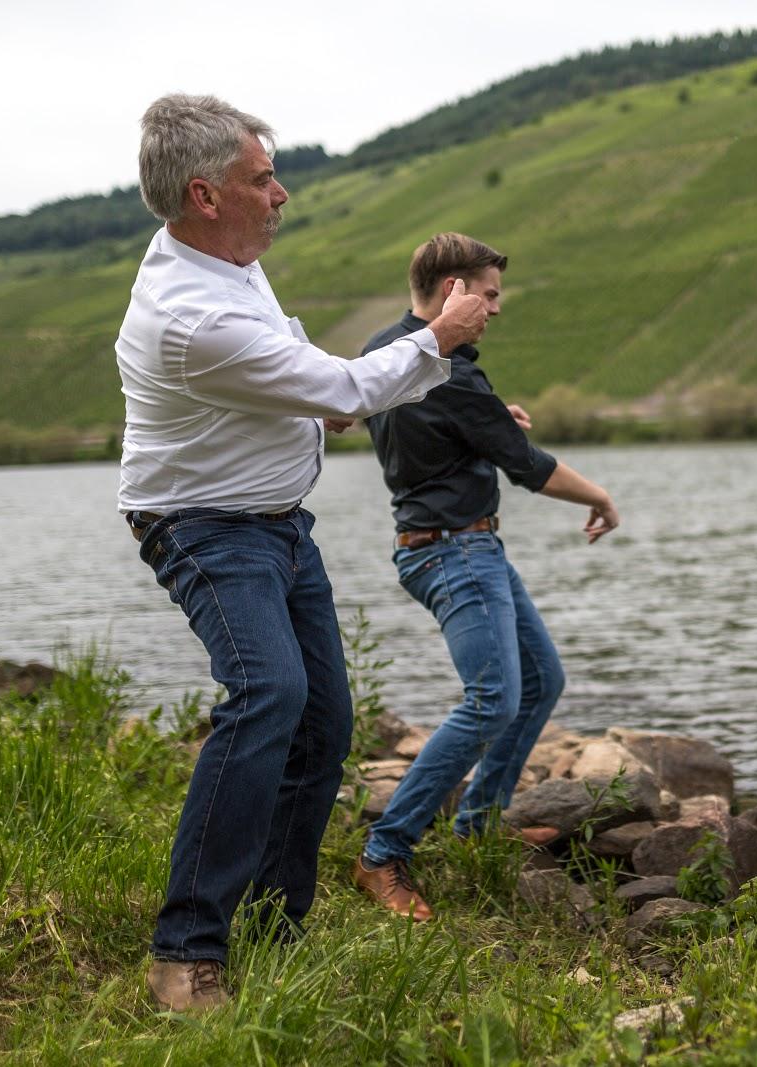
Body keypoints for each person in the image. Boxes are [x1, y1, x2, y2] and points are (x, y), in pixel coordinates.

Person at [116, 97, 488, 1013]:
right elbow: (346, 386)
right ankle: (186, 949)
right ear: (204, 194)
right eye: (260, 178)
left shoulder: (230, 259)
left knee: (324, 722)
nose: (280, 193)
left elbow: (303, 380)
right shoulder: (191, 313)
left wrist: (331, 399)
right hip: (200, 523)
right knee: (268, 693)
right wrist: (436, 338)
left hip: (276, 520)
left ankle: (272, 926)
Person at [353, 232, 620, 921]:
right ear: (454, 291)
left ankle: (475, 824)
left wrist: (486, 421)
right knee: (493, 698)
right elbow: (528, 467)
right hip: (453, 551)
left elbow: (420, 433)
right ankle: (384, 851)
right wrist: (598, 496)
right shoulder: (452, 373)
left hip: (458, 546)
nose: (495, 309)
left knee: (540, 681)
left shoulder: (386, 350)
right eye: (489, 294)